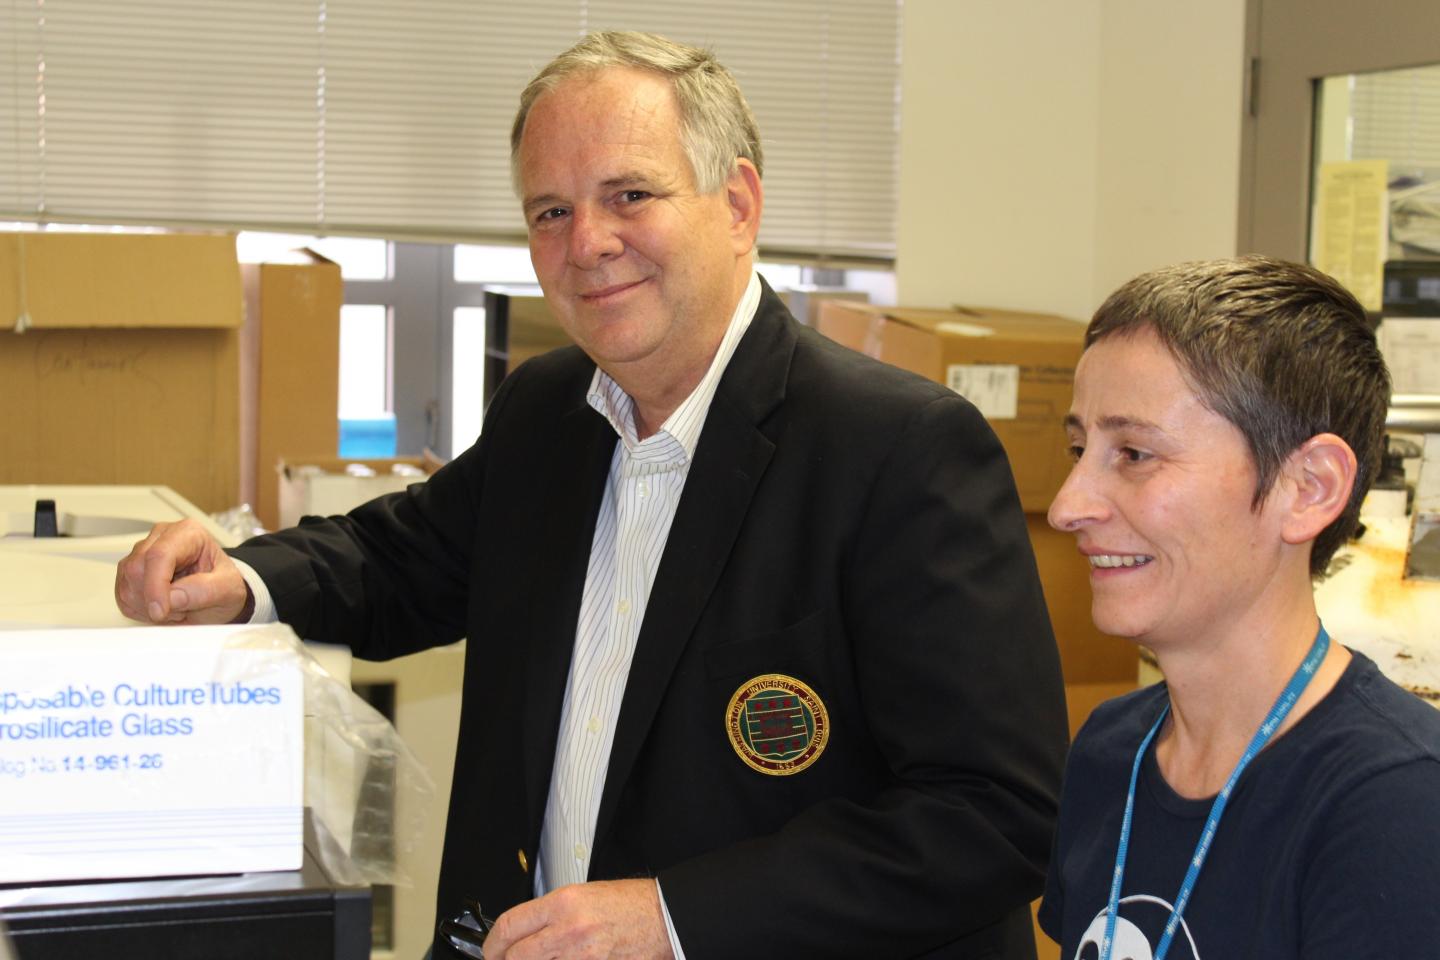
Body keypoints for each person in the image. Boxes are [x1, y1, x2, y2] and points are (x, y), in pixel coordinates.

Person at [115, 31, 1067, 960]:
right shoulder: (548, 409)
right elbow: (404, 557)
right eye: (550, 212)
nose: (588, 243)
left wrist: (674, 920)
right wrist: (240, 579)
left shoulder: (901, 451)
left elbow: (993, 814)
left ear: (737, 204)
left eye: (630, 195)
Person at [1039, 256, 1440, 958]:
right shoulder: (1111, 751)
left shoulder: (1396, 807)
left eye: (1133, 453)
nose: (1069, 505)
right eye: (1079, 448)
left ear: (1308, 488)